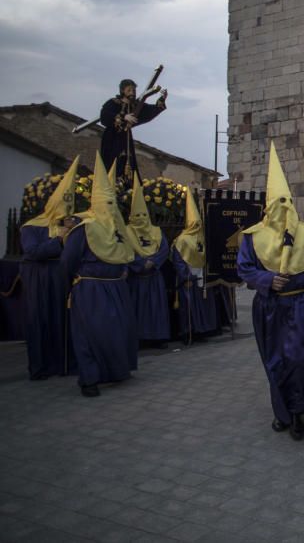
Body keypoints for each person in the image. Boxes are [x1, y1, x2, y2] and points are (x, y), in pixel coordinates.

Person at [238, 143, 304, 441]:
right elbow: (244, 268)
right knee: (278, 360)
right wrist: (266, 280)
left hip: (302, 306)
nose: (284, 207)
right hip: (271, 307)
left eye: (287, 201)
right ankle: (286, 412)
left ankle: (299, 407)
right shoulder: (253, 237)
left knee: (302, 359)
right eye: (278, 202)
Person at [61, 153, 137, 397]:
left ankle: (116, 371)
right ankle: (90, 379)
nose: (110, 209)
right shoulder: (83, 230)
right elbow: (68, 262)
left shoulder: (119, 229)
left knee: (117, 332)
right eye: (107, 204)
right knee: (89, 334)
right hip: (91, 289)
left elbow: (127, 254)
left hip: (117, 287)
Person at [20, 156, 79, 379]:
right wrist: (59, 241)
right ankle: (40, 367)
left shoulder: (72, 227)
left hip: (62, 277)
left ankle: (64, 364)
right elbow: (33, 252)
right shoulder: (32, 227)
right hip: (39, 277)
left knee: (62, 320)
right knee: (40, 320)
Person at [125, 173, 170, 351]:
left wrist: (154, 262)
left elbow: (164, 248)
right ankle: (139, 338)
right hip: (136, 279)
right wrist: (139, 264)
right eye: (138, 214)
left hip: (154, 277)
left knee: (156, 309)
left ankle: (158, 337)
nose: (142, 217)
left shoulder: (156, 231)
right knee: (139, 310)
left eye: (144, 214)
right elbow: (123, 250)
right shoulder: (127, 232)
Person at [171, 186, 218, 343]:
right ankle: (188, 332)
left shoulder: (204, 237)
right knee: (189, 309)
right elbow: (178, 259)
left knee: (203, 307)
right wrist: (187, 276)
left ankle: (203, 330)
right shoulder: (182, 239)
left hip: (202, 278)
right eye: (194, 223)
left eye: (199, 223)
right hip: (189, 280)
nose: (197, 226)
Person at [100, 79, 167, 185]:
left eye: (134, 90)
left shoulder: (135, 106)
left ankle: (128, 187)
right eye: (129, 90)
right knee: (113, 162)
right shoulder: (113, 102)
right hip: (112, 138)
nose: (132, 92)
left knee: (129, 162)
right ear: (122, 91)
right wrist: (123, 117)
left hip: (126, 138)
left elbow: (150, 111)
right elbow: (104, 116)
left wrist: (162, 98)